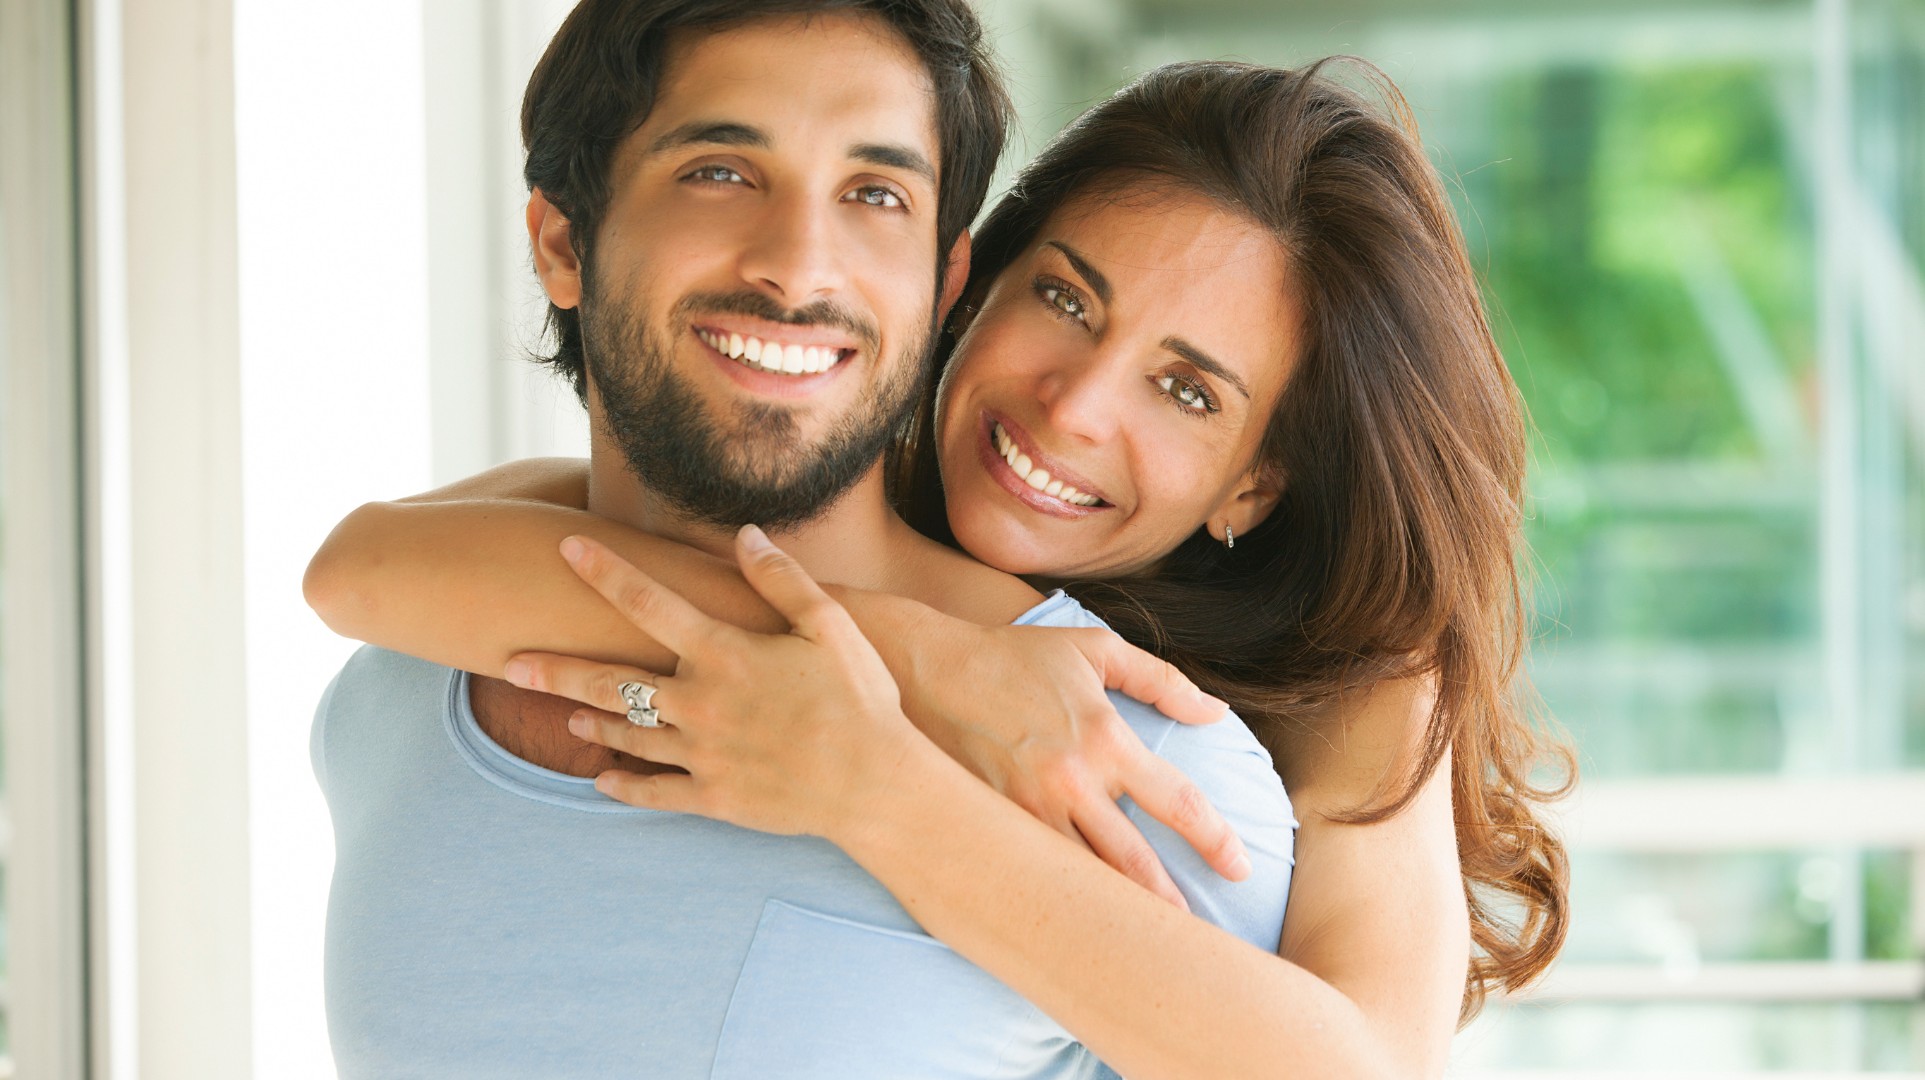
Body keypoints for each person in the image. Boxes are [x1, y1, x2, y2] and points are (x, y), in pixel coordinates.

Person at [309, 43, 1575, 1080]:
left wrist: (869, 781)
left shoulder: (1177, 747)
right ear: (972, 290)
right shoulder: (458, 629)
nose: (1074, 407)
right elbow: (359, 566)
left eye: (1186, 391)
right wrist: (919, 654)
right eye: (1068, 301)